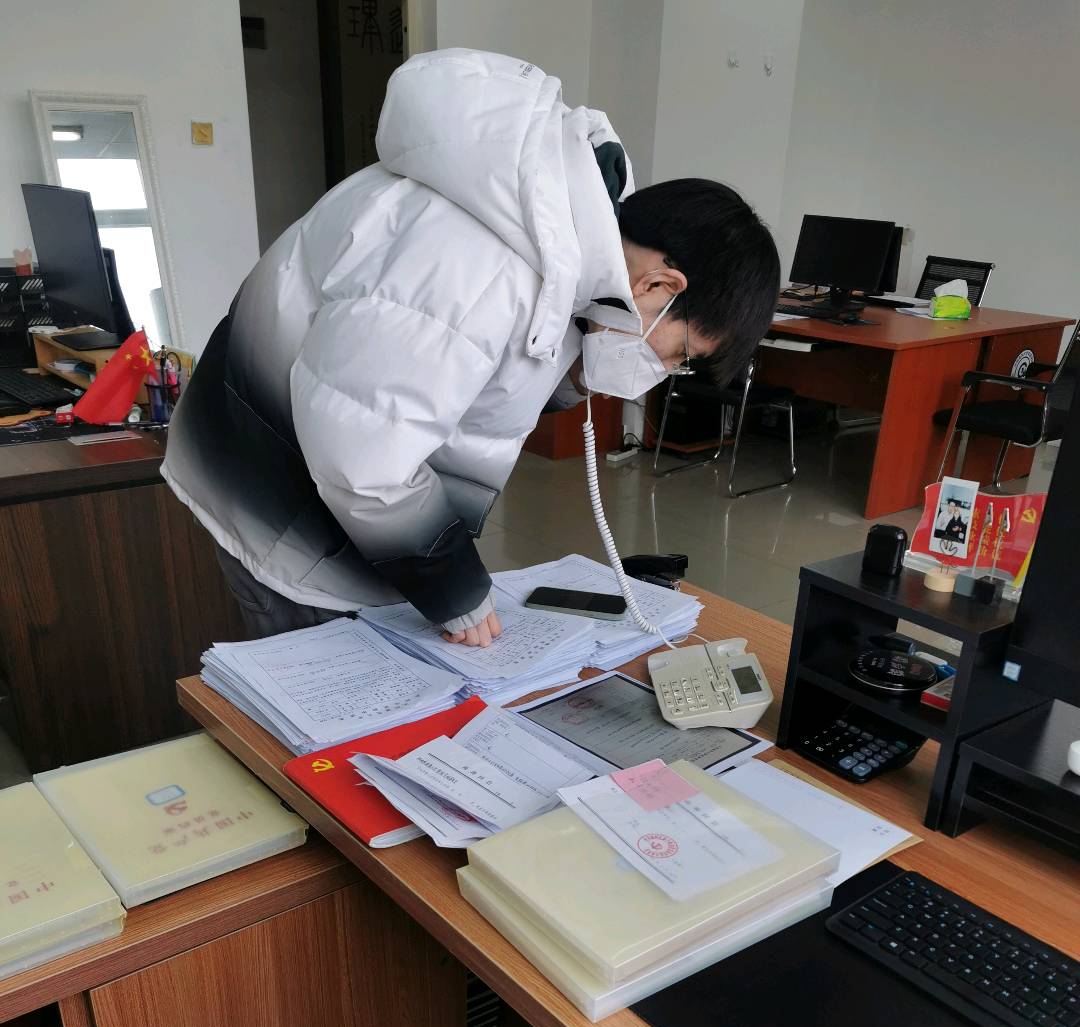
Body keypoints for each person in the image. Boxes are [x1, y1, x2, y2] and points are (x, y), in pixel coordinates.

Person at [164, 48, 780, 646]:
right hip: (277, 498)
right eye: (681, 354)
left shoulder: (563, 235)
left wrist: (576, 372)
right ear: (661, 286)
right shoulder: (475, 267)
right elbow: (364, 457)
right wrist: (452, 585)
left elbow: (475, 372)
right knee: (319, 680)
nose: (668, 369)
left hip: (321, 470)